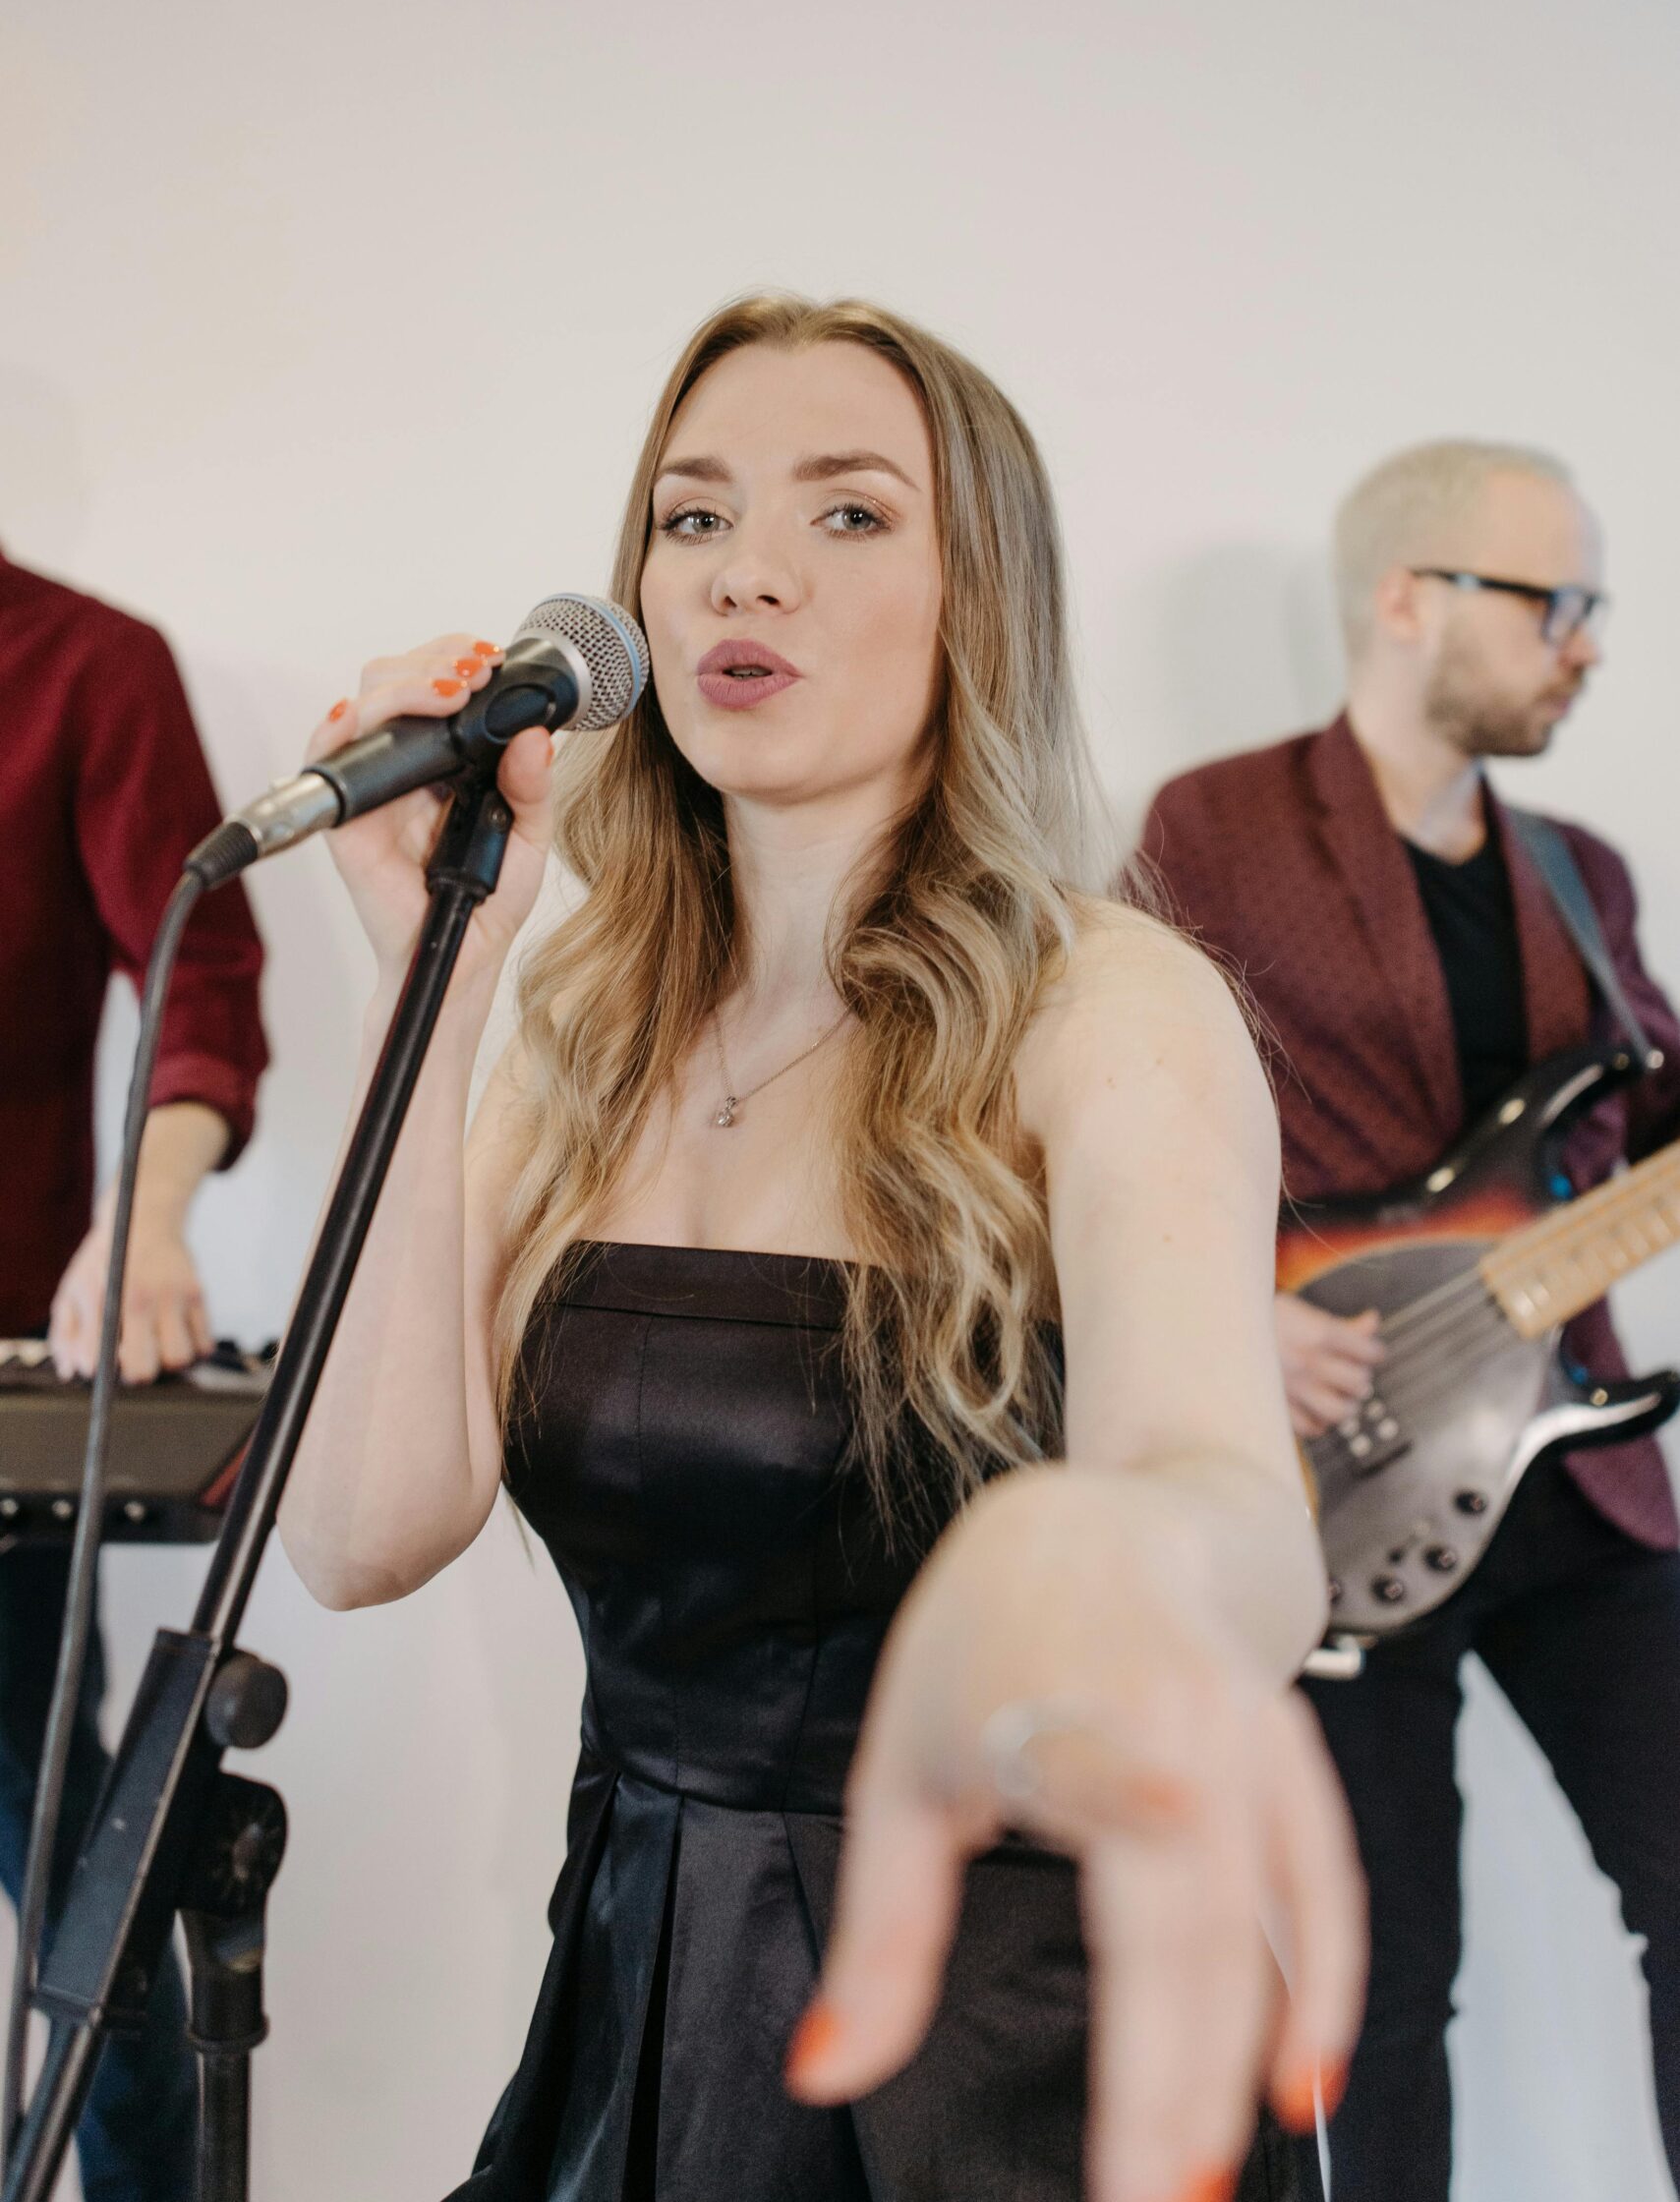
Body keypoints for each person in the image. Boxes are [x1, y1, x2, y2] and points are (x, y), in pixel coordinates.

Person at [277, 294, 1362, 2202]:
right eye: (689, 518)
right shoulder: (579, 1036)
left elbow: (1225, 1491)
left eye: (847, 513)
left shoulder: (1110, 1008)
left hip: (1013, 2052)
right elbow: (359, 1528)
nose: (743, 569)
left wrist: (1122, 1554)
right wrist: (428, 965)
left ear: (980, 600)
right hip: (644, 2002)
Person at [1139, 439, 1680, 2201]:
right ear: (1406, 599)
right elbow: (1110, 1122)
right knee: (1377, 1986)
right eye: (1558, 604)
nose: (1587, 643)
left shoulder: (1585, 882)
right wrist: (1229, 1318)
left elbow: (1638, 1116)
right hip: (1333, 1478)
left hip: (1572, 1481)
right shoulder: (1211, 826)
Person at [0, 544, 267, 2200]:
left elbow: (205, 997)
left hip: (14, 1393)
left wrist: (142, 1221)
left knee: (76, 1896)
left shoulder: (89, 666)